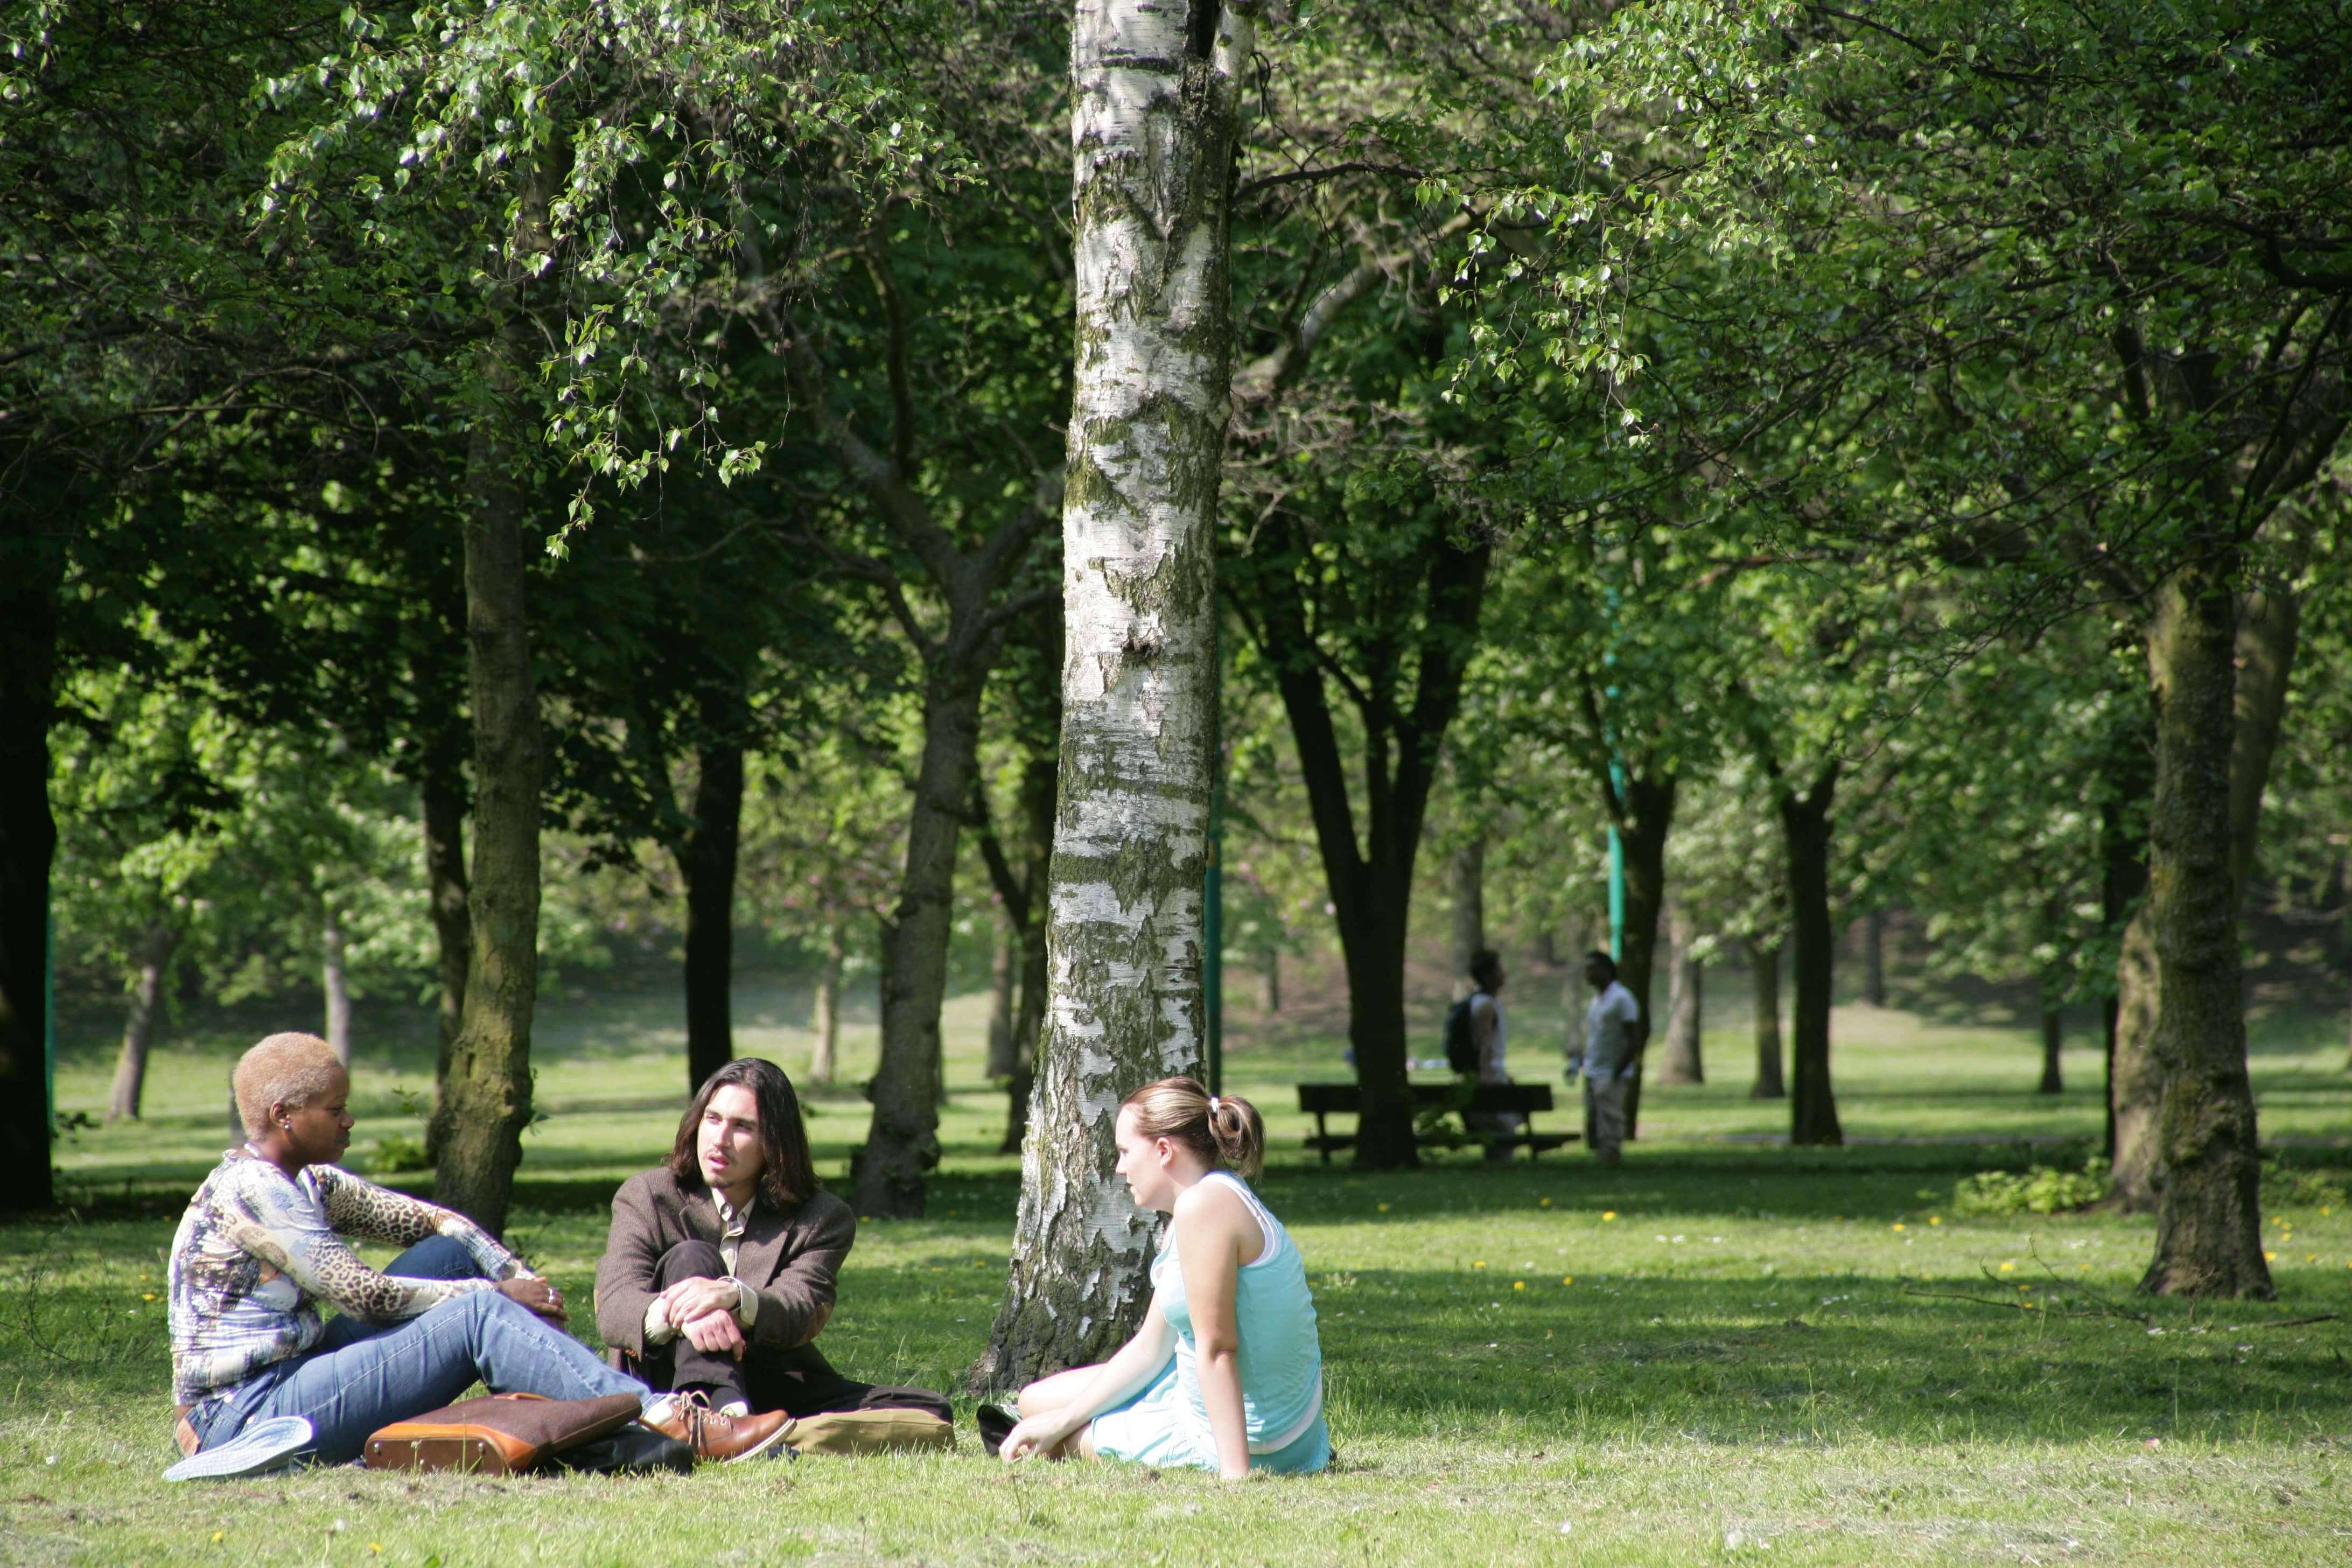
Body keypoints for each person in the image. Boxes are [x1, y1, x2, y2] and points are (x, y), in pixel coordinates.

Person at [167, 1032, 788, 1478]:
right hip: (242, 1414)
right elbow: (366, 1294)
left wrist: (518, 1277)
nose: (350, 1119)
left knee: (444, 1256)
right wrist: (498, 1296)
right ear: (284, 1116)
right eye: (335, 1109)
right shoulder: (254, 1192)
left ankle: (604, 1435)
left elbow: (440, 1222)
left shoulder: (307, 1179)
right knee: (480, 1314)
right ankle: (665, 1416)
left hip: (293, 1375)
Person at [593, 1058, 950, 1429]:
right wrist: (690, 1313)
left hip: (764, 1377)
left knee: (929, 1410)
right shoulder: (649, 1195)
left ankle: (732, 1421)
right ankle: (714, 1408)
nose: (719, 1139)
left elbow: (799, 1309)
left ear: (775, 1143)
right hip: (661, 1381)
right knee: (692, 1257)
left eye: (742, 1127)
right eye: (712, 1119)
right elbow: (616, 1306)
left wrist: (733, 1297)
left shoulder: (823, 1217)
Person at [999, 1078, 1329, 1479]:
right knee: (1037, 1403)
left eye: (1124, 1151)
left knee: (1057, 1441)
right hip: (1261, 1422)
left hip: (1257, 1442)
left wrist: (1236, 1476)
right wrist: (1060, 1420)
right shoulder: (1204, 1203)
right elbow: (1151, 1349)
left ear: (1163, 1150)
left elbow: (1219, 1348)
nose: (1120, 1168)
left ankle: (1187, 1446)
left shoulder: (1203, 1207)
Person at [1574, 951, 1644, 1166]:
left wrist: (1617, 1071)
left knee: (1611, 1121)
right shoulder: (1596, 1001)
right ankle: (1601, 1162)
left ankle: (1612, 1161)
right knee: (1594, 1122)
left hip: (1612, 1072)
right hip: (1594, 1069)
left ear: (1606, 971)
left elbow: (1634, 1039)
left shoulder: (1622, 998)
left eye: (1592, 968)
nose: (1588, 973)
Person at [1464, 948, 1521, 1163]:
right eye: (1499, 970)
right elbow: (1485, 1044)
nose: (1503, 974)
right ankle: (1500, 1167)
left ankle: (1497, 1166)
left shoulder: (1484, 1001)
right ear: (1488, 976)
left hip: (1492, 1074)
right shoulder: (1485, 1006)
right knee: (1503, 1128)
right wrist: (1486, 1076)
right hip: (1491, 1076)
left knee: (1500, 1129)